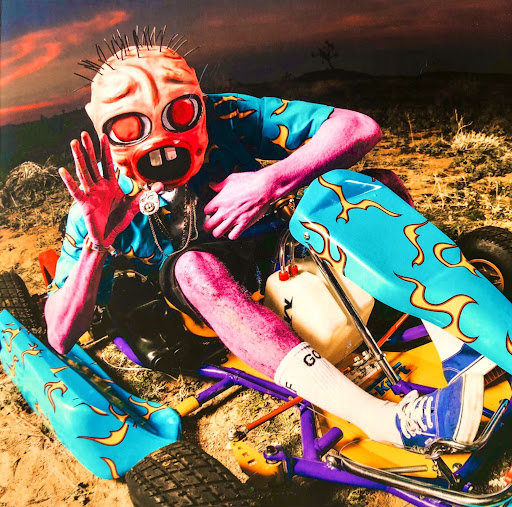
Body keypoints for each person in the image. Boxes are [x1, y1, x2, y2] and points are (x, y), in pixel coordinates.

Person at [45, 32, 485, 451]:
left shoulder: (225, 115)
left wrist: (270, 181)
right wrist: (97, 244)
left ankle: (458, 345)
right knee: (192, 268)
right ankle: (387, 422)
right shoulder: (99, 203)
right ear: (103, 131)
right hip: (202, 297)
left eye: (179, 114)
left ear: (199, 100)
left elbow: (357, 127)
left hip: (279, 249)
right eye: (129, 127)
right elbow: (60, 335)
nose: (162, 141)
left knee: (373, 188)